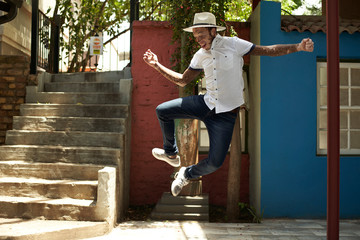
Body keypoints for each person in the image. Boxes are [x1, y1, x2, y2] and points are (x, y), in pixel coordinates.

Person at [143, 12, 314, 197]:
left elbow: (268, 50)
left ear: (213, 31)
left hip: (225, 115)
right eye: (195, 35)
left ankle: (186, 173)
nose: (198, 39)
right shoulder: (200, 55)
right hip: (205, 103)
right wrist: (156, 65)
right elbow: (184, 80)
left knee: (215, 163)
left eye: (202, 34)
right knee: (162, 111)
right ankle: (171, 154)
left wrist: (298, 46)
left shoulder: (234, 44)